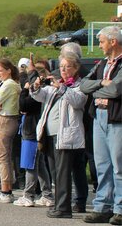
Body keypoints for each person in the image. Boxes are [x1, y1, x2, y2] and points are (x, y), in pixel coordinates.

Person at [32, 52, 87, 219]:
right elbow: (40, 97)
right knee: (56, 172)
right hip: (49, 134)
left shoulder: (79, 85)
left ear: (76, 68)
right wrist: (36, 87)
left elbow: (78, 102)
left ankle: (63, 207)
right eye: (61, 67)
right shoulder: (57, 85)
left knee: (63, 172)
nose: (63, 70)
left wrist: (62, 88)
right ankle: (59, 204)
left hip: (66, 135)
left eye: (67, 66)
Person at [80, 26, 122, 225]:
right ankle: (102, 207)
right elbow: (83, 86)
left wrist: (98, 88)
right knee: (102, 164)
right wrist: (100, 85)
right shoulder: (102, 64)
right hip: (99, 117)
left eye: (102, 41)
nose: (99, 45)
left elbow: (115, 90)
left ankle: (120, 208)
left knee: (119, 166)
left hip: (116, 119)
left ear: (113, 42)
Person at [13, 59, 55, 208]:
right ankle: (47, 194)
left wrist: (24, 90)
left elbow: (24, 104)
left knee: (30, 163)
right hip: (32, 127)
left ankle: (28, 195)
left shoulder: (39, 92)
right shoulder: (39, 89)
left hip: (32, 129)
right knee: (39, 163)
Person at [0, 58, 21, 203]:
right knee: (5, 156)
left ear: (9, 70)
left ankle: (5, 191)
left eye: (1, 70)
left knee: (2, 156)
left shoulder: (9, 85)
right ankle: (6, 187)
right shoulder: (8, 84)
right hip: (5, 118)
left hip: (5, 120)